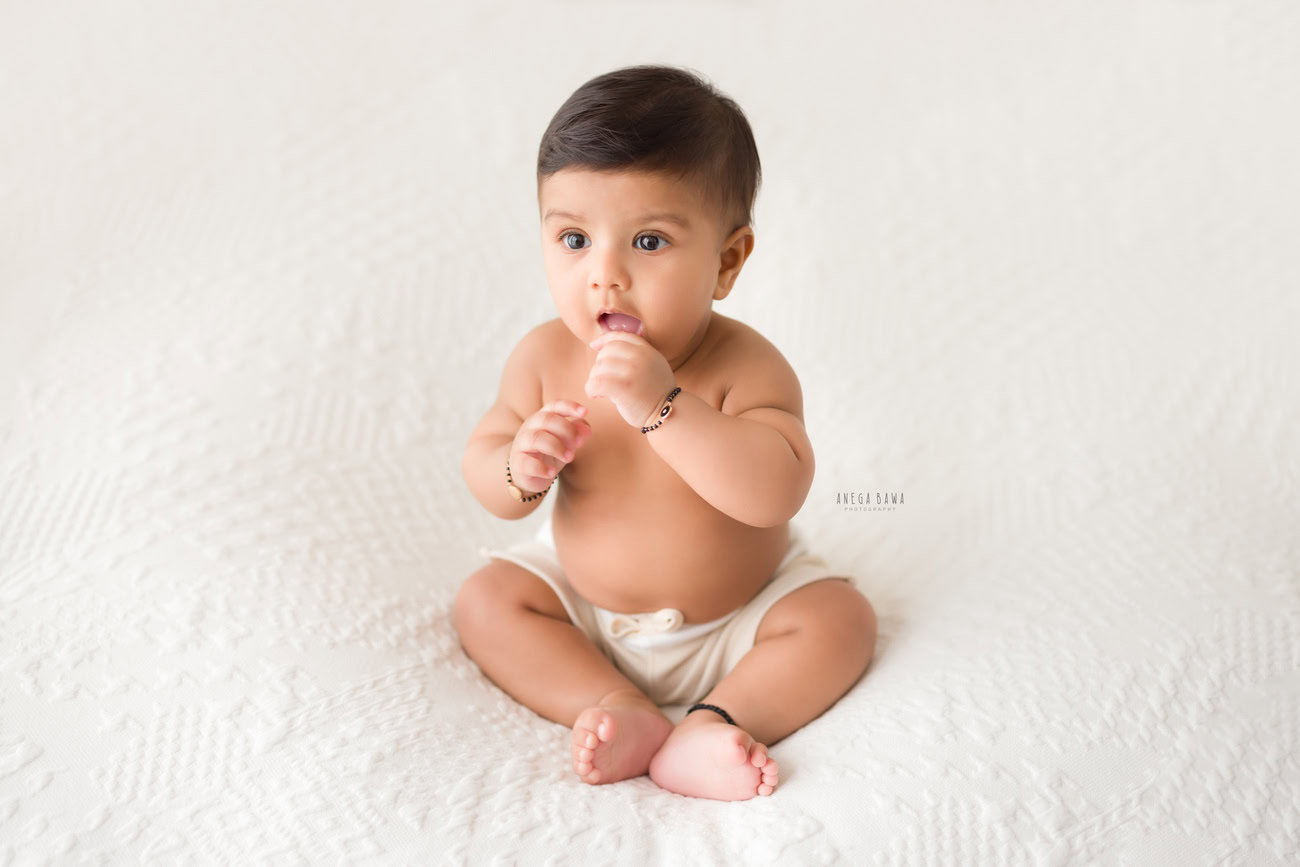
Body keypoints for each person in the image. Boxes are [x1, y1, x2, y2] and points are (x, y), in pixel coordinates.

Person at [455, 64, 877, 802]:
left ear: (726, 260)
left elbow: (777, 489)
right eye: (576, 238)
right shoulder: (544, 358)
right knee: (487, 600)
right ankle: (614, 702)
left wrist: (665, 407)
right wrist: (521, 466)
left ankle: (716, 720)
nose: (604, 276)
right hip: (587, 610)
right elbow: (488, 473)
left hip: (739, 615)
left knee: (839, 619)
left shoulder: (744, 365)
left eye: (648, 242)